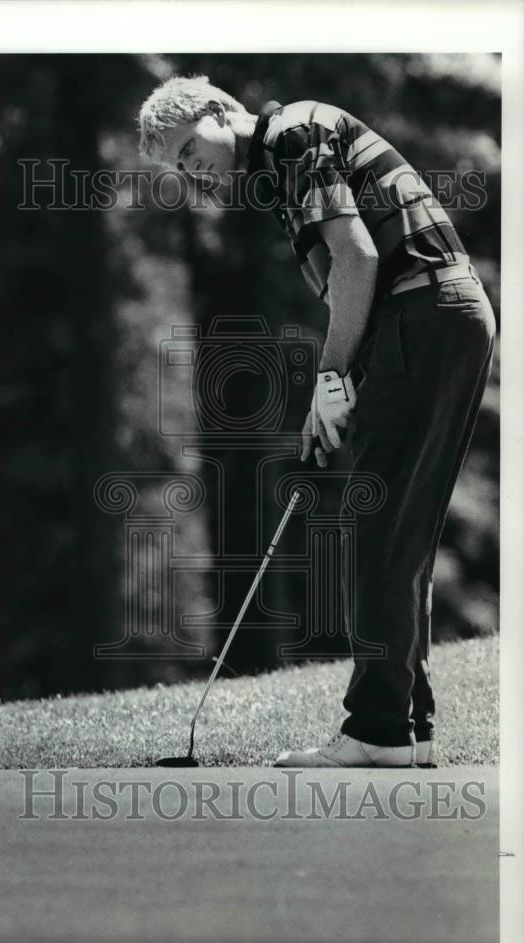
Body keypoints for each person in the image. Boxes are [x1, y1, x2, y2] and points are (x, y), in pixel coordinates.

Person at [137, 75, 496, 767]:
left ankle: (378, 729)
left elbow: (356, 260)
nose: (190, 171)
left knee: (378, 525)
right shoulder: (283, 160)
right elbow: (350, 279)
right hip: (443, 315)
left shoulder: (293, 133)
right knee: (400, 530)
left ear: (218, 113)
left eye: (188, 149)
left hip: (424, 314)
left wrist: (329, 379)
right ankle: (406, 732)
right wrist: (343, 381)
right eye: (177, 167)